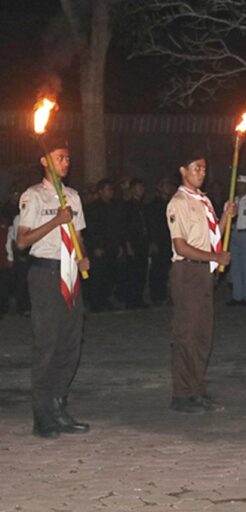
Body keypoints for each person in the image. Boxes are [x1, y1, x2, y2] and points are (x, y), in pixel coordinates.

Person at [16, 135, 91, 438]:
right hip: (45, 273)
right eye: (60, 157)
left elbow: (79, 233)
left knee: (70, 343)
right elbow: (22, 241)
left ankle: (60, 406)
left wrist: (83, 257)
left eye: (68, 158)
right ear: (45, 161)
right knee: (46, 344)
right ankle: (42, 415)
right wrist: (56, 221)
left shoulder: (73, 196)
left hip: (70, 271)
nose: (65, 163)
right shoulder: (32, 196)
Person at [165, 152, 234, 414]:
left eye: (204, 168)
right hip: (187, 272)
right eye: (196, 168)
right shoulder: (179, 202)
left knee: (203, 334)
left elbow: (212, 235)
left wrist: (226, 215)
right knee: (186, 334)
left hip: (204, 271)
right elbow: (181, 246)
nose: (201, 173)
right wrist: (214, 257)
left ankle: (197, 389)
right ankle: (181, 394)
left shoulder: (203, 200)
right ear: (183, 170)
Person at [84, 179, 123, 312]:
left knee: (109, 275)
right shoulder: (93, 208)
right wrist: (96, 246)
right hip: (99, 247)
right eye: (108, 189)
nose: (110, 192)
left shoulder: (113, 207)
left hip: (111, 246)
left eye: (111, 190)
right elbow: (92, 229)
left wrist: (118, 245)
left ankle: (105, 299)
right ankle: (96, 302)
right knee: (98, 276)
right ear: (101, 192)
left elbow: (116, 228)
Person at [228, 175, 246, 306]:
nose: (239, 187)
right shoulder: (232, 201)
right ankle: (237, 296)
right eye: (238, 184)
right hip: (234, 233)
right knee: (235, 267)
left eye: (242, 184)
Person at [147, 177, 175, 305]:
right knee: (158, 269)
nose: (168, 188)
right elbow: (152, 224)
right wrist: (152, 241)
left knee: (168, 269)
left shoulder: (170, 204)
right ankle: (157, 296)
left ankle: (166, 294)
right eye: (165, 186)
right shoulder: (154, 205)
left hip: (169, 240)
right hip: (159, 241)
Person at [124, 178, 150, 309]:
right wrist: (128, 245)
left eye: (142, 188)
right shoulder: (128, 206)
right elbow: (126, 227)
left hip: (142, 243)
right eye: (139, 188)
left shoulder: (143, 206)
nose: (141, 190)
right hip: (133, 243)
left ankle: (139, 298)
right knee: (133, 272)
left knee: (142, 271)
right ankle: (131, 299)